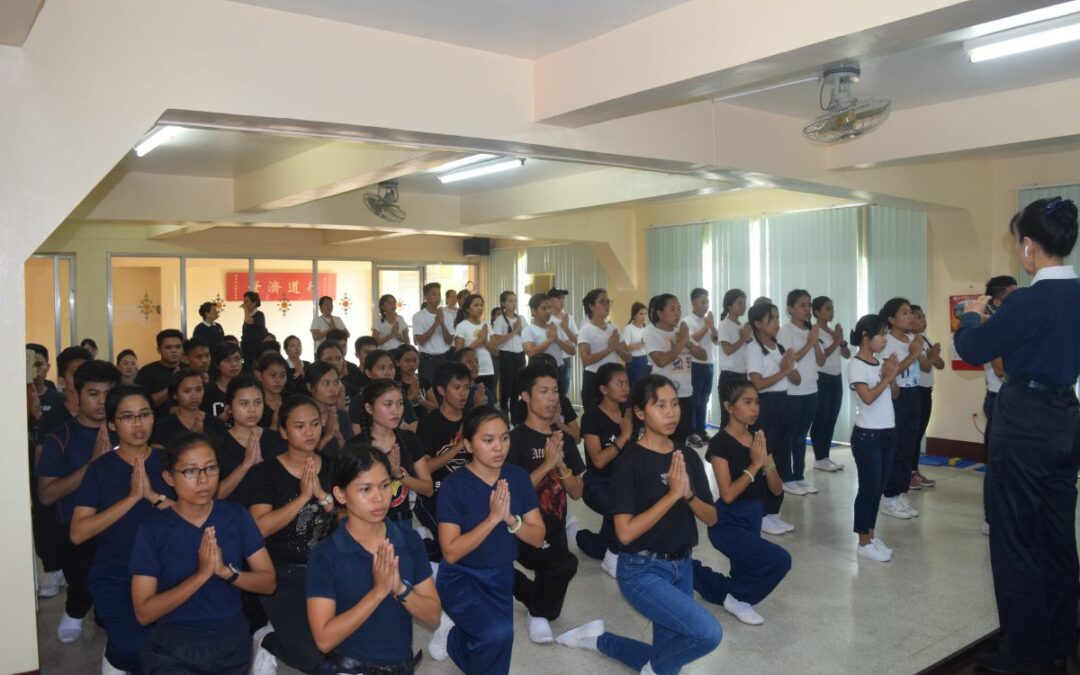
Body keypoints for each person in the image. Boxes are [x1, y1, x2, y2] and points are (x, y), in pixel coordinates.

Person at [954, 196, 1080, 673]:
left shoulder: (1030, 299)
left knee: (1016, 538)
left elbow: (972, 346)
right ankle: (1061, 634)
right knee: (1056, 533)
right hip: (1067, 416)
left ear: (1028, 247)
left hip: (1025, 420)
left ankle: (1025, 651)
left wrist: (970, 314)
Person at [558, 375, 722, 673]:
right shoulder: (630, 463)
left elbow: (711, 517)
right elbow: (625, 532)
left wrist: (688, 495)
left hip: (682, 568)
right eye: (660, 405)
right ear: (640, 413)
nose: (671, 412)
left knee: (666, 658)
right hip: (641, 570)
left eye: (674, 404)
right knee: (708, 632)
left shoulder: (686, 456)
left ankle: (598, 640)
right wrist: (672, 495)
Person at [131, 432, 276, 674]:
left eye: (211, 468)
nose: (203, 480)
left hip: (230, 638)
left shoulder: (236, 517)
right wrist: (201, 575)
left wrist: (225, 572)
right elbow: (144, 613)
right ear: (169, 477)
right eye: (190, 471)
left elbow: (268, 583)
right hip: (174, 643)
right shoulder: (152, 530)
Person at [425, 406, 547, 675]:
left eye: (504, 438)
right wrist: (492, 519)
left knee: (497, 642)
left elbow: (538, 537)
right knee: (498, 634)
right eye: (488, 440)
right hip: (460, 578)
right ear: (467, 444)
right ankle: (457, 637)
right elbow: (451, 552)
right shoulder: (453, 486)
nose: (499, 448)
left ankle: (456, 640)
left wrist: (511, 521)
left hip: (501, 576)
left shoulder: (516, 477)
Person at [305, 443, 441, 675]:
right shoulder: (325, 554)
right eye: (365, 489)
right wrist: (378, 592)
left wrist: (400, 588)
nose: (378, 497)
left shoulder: (408, 541)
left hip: (400, 665)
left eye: (385, 485)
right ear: (340, 494)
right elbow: (324, 640)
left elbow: (433, 616)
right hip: (347, 667)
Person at [70, 384, 175, 674]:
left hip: (170, 572)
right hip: (117, 576)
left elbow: (196, 515)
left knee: (180, 646)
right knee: (135, 651)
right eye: (127, 417)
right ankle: (115, 654)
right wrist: (132, 498)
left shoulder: (170, 460)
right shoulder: (101, 469)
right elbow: (78, 532)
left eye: (144, 414)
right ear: (113, 424)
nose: (138, 424)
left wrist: (154, 497)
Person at [248, 395, 337, 675]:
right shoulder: (265, 473)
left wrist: (322, 496)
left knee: (349, 650)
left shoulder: (334, 467)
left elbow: (350, 520)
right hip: (283, 575)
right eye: (300, 426)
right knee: (314, 660)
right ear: (284, 432)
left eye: (314, 424)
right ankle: (268, 639)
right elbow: (259, 528)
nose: (309, 432)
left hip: (330, 571)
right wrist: (302, 498)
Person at [692, 378, 790, 624]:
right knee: (779, 560)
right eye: (747, 402)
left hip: (753, 517)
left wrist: (766, 462)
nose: (755, 408)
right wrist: (755, 464)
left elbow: (777, 490)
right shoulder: (719, 444)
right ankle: (738, 599)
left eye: (756, 402)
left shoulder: (758, 438)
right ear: (729, 406)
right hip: (727, 521)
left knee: (741, 577)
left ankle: (689, 570)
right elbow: (727, 494)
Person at [37, 360, 121, 644]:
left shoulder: (125, 430)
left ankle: (101, 612)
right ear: (77, 394)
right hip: (73, 527)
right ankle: (74, 609)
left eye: (108, 394)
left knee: (115, 592)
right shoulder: (60, 437)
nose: (101, 402)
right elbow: (47, 495)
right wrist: (94, 463)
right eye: (93, 394)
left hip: (118, 523)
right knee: (83, 585)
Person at [506, 363, 587, 643]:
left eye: (554, 391)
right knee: (565, 566)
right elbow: (512, 494)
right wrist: (546, 464)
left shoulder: (563, 438)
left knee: (552, 610)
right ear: (526, 397)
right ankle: (529, 605)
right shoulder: (513, 440)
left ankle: (514, 585)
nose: (552, 398)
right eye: (543, 391)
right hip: (521, 529)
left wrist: (562, 465)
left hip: (555, 527)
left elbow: (576, 492)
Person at [845, 314, 901, 563]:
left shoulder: (879, 363)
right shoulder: (856, 365)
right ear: (866, 337)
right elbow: (867, 398)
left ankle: (871, 535)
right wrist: (887, 377)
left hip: (887, 431)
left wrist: (892, 373)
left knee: (878, 489)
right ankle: (862, 542)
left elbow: (895, 394)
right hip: (868, 435)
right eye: (882, 334)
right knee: (868, 489)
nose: (886, 339)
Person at [745, 301, 799, 536]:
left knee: (780, 456)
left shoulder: (778, 346)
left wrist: (791, 368)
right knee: (765, 461)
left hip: (783, 403)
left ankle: (774, 512)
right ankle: (763, 514)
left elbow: (794, 379)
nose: (777, 323)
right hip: (765, 406)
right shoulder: (753, 349)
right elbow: (756, 384)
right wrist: (785, 371)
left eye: (777, 318)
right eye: (773, 319)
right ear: (758, 324)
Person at [575, 362, 631, 577]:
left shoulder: (631, 415)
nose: (626, 388)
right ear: (604, 389)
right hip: (598, 483)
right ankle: (612, 555)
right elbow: (598, 461)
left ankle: (587, 540)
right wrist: (624, 436)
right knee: (620, 509)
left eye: (627, 383)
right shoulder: (591, 418)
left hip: (625, 481)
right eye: (620, 383)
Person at [357, 378, 435, 529]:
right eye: (388, 404)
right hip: (369, 525)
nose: (396, 410)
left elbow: (429, 489)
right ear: (369, 408)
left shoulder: (409, 439)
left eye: (400, 404)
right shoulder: (356, 447)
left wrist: (400, 475)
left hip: (404, 522)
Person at [414, 362, 472, 558]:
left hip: (469, 492)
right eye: (457, 388)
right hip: (436, 495)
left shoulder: (473, 419)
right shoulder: (429, 422)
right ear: (441, 390)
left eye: (466, 387)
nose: (463, 393)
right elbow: (426, 468)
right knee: (455, 545)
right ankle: (423, 547)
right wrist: (459, 446)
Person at [877, 298, 925, 520]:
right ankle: (889, 496)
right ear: (891, 319)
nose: (910, 317)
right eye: (904, 313)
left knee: (909, 444)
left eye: (911, 313)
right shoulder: (886, 342)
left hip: (914, 392)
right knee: (896, 447)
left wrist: (918, 352)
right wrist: (914, 354)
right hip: (897, 396)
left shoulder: (909, 339)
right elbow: (891, 372)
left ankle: (899, 491)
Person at [979, 275, 1018, 536]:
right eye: (1011, 297)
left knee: (1014, 463)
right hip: (999, 400)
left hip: (1016, 400)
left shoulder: (1012, 325)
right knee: (996, 464)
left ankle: (1009, 513)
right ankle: (991, 518)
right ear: (995, 301)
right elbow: (1001, 369)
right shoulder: (990, 328)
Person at [777, 289, 823, 496]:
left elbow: (819, 360)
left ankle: (799, 476)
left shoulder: (811, 331)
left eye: (809, 305)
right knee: (790, 436)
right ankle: (786, 477)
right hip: (793, 392)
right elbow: (790, 359)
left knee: (801, 437)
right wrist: (811, 342)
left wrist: (814, 340)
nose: (807, 309)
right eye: (803, 305)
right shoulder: (785, 331)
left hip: (811, 389)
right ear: (790, 309)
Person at [645, 293, 704, 444]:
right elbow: (661, 360)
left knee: (680, 439)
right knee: (664, 439)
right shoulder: (651, 332)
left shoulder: (681, 333)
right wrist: (681, 342)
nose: (677, 313)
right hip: (663, 396)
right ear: (659, 313)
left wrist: (687, 342)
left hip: (685, 394)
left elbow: (703, 355)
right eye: (672, 309)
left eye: (679, 309)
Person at [219, 375, 285, 503]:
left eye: (258, 402)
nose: (252, 410)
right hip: (235, 516)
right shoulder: (219, 443)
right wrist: (246, 465)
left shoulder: (276, 439)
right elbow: (215, 495)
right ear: (229, 408)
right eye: (244, 403)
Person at [808, 296, 850, 472]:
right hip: (822, 378)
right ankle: (819, 458)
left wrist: (840, 340)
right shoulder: (814, 331)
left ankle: (826, 456)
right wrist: (836, 341)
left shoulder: (833, 332)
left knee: (831, 419)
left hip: (836, 378)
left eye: (832, 308)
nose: (831, 311)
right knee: (821, 419)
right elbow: (822, 358)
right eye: (827, 308)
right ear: (816, 312)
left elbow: (847, 354)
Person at [150, 368, 228, 451]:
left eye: (199, 390)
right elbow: (158, 459)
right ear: (175, 395)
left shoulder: (216, 424)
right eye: (187, 391)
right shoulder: (163, 426)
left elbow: (224, 456)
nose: (194, 396)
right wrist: (190, 438)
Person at [578, 288, 629, 412]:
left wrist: (617, 348)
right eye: (602, 302)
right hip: (594, 378)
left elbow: (628, 357)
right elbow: (586, 359)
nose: (607, 305)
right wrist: (609, 348)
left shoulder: (614, 328)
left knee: (616, 416)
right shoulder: (586, 329)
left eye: (608, 302)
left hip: (614, 379)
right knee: (595, 417)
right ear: (591, 306)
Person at [910, 304, 943, 489]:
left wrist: (935, 355)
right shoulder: (911, 342)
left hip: (926, 391)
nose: (924, 321)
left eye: (924, 317)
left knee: (919, 433)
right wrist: (932, 358)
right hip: (915, 391)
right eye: (919, 317)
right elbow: (925, 366)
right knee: (912, 434)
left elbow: (940, 364)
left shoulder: (926, 339)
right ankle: (908, 472)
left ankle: (914, 470)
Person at [682, 288, 719, 449]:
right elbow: (690, 340)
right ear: (693, 302)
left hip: (709, 363)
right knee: (694, 400)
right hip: (695, 365)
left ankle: (701, 430)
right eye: (702, 302)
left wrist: (711, 326)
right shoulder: (687, 321)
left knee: (704, 400)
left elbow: (717, 340)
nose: (706, 306)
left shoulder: (707, 321)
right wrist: (707, 326)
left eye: (707, 302)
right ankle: (691, 433)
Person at [716, 289, 753, 428]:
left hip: (743, 376)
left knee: (741, 418)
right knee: (727, 420)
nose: (743, 306)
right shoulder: (725, 325)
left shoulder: (743, 326)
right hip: (729, 377)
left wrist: (748, 337)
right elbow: (727, 350)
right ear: (729, 306)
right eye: (739, 303)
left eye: (744, 303)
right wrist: (744, 338)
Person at [305, 361, 354, 457]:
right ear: (310, 387)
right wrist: (326, 437)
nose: (333, 389)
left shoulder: (342, 416)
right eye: (326, 383)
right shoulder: (301, 418)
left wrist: (339, 436)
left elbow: (351, 458)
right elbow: (301, 460)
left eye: (336, 383)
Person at [454, 293, 497, 400]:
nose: (480, 308)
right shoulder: (462, 326)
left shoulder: (486, 325)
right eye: (476, 305)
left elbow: (496, 352)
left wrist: (485, 342)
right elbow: (459, 353)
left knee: (487, 402)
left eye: (481, 305)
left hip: (488, 369)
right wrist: (479, 341)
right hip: (470, 371)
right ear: (468, 309)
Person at [490, 291, 526, 414]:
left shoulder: (521, 318)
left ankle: (515, 415)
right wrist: (514, 331)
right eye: (510, 301)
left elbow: (526, 337)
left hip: (520, 354)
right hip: (506, 355)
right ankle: (504, 415)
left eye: (515, 300)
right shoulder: (500, 319)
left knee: (518, 386)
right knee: (506, 386)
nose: (514, 303)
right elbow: (497, 341)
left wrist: (519, 330)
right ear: (503, 304)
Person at [413, 282, 454, 390]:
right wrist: (436, 323)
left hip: (445, 358)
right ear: (426, 296)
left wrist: (442, 323)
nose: (437, 297)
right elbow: (421, 341)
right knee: (428, 390)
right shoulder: (418, 316)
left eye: (439, 294)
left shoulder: (448, 315)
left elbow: (449, 340)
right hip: (427, 360)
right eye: (434, 294)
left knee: (445, 389)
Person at [136, 329, 184, 415]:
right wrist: (172, 383)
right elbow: (142, 403)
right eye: (168, 347)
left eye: (178, 347)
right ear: (158, 350)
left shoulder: (189, 370)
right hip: (156, 424)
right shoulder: (146, 372)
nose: (174, 350)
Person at [522, 293, 575, 368]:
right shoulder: (528, 330)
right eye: (544, 308)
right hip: (540, 371)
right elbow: (530, 352)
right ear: (534, 311)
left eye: (549, 308)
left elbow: (572, 351)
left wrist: (557, 339)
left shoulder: (555, 327)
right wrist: (550, 340)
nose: (548, 311)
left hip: (558, 369)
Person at [547, 288, 579, 395]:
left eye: (563, 298)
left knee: (563, 393)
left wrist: (566, 329)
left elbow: (577, 340)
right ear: (550, 300)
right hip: (550, 360)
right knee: (550, 392)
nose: (562, 301)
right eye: (558, 298)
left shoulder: (569, 317)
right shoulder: (546, 318)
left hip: (566, 358)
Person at [204, 341, 243, 421]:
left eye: (237, 359)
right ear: (217, 365)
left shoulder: (248, 388)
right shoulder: (208, 391)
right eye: (227, 360)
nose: (234, 364)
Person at [255, 353, 289, 429]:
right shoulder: (254, 404)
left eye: (282, 375)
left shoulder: (290, 400)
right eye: (273, 375)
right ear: (260, 376)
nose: (278, 380)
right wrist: (274, 425)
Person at [622, 301, 650, 385]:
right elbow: (625, 347)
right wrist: (640, 344)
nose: (644, 316)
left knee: (645, 386)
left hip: (646, 360)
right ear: (634, 315)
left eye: (645, 314)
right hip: (634, 361)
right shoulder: (629, 328)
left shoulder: (647, 328)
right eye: (641, 314)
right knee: (635, 387)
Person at [241, 291, 268, 372]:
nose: (244, 303)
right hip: (247, 351)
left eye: (247, 301)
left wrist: (245, 309)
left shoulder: (259, 314)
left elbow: (249, 321)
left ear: (254, 303)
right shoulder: (249, 315)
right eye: (244, 301)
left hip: (256, 351)